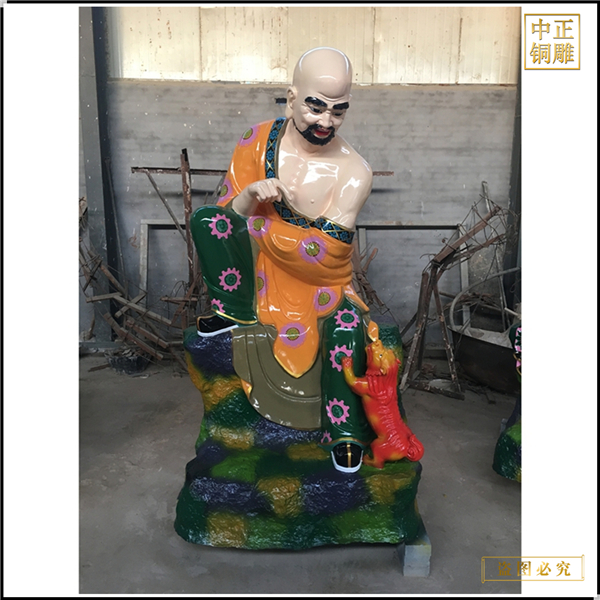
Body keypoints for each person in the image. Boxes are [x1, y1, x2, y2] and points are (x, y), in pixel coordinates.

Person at [190, 47, 377, 473]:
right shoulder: (257, 141)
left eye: (338, 111)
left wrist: (261, 225)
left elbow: (328, 254)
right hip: (257, 266)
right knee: (207, 221)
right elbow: (227, 216)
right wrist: (249, 197)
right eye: (316, 106)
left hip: (320, 284)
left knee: (347, 328)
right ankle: (233, 309)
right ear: (292, 99)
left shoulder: (354, 172)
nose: (326, 121)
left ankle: (344, 430)